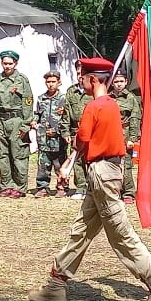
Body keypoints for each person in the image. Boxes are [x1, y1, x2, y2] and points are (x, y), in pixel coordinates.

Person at [27, 57, 151, 301]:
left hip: (102, 173)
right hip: (106, 172)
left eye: (82, 76)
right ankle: (56, 283)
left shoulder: (95, 106)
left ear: (93, 79)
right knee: (82, 229)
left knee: (120, 233)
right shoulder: (111, 105)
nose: (80, 80)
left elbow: (81, 140)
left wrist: (67, 166)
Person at [0, 49, 33, 197]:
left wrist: (25, 125)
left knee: (19, 155)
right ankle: (6, 185)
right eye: (5, 63)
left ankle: (20, 187)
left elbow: (28, 102)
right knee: (4, 155)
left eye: (10, 63)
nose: (7, 66)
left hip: (17, 120)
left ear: (15, 63)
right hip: (1, 120)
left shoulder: (22, 79)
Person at [31, 69, 68, 197]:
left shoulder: (64, 99)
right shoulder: (41, 98)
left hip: (58, 139)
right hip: (44, 138)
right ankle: (42, 187)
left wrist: (58, 131)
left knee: (59, 164)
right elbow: (37, 114)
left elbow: (66, 119)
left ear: (59, 83)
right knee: (43, 164)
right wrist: (34, 121)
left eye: (53, 81)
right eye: (48, 82)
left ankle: (62, 187)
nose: (50, 84)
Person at [109, 71, 141, 205]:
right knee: (111, 163)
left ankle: (128, 192)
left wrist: (132, 138)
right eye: (116, 82)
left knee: (126, 164)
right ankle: (113, 191)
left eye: (121, 81)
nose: (119, 84)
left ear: (126, 82)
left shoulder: (131, 98)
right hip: (110, 133)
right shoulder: (107, 97)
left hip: (125, 133)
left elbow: (135, 118)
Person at [62, 60, 91, 199]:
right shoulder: (71, 91)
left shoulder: (92, 91)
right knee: (77, 161)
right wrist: (66, 131)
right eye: (78, 73)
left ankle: (91, 188)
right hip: (75, 131)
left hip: (91, 132)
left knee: (90, 160)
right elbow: (66, 112)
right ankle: (80, 187)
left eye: (83, 73)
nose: (80, 76)